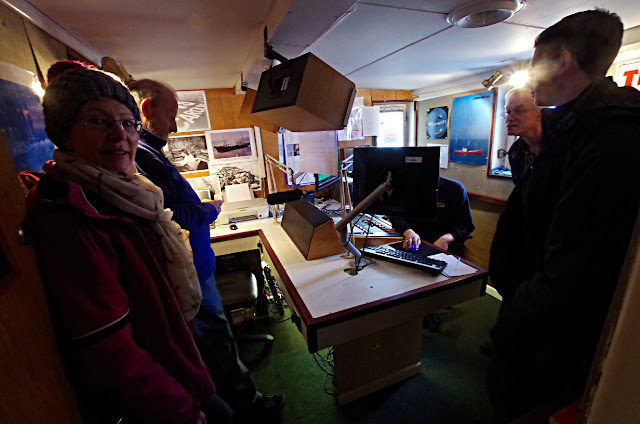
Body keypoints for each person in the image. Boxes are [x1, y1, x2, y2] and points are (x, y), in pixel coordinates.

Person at [21, 68, 233, 424]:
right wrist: (181, 411)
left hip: (171, 350)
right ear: (65, 133)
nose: (119, 134)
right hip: (156, 390)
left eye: (127, 123)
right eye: (96, 120)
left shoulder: (123, 191)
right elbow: (109, 353)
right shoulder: (74, 219)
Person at [488, 9, 640, 422]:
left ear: (563, 61)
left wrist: (514, 319)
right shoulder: (570, 129)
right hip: (534, 314)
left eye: (537, 61)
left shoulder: (610, 136)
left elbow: (576, 269)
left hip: (550, 338)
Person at [127, 78, 284, 421]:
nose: (176, 124)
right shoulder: (143, 155)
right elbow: (166, 214)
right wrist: (208, 210)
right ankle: (249, 406)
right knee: (217, 342)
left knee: (215, 341)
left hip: (194, 265)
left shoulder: (148, 152)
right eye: (171, 115)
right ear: (146, 108)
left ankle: (235, 400)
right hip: (190, 272)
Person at [389, 176, 474, 254]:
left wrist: (446, 239)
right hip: (412, 245)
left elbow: (466, 225)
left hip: (446, 248)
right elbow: (395, 215)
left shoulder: (455, 188)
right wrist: (408, 232)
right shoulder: (406, 187)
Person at [504, 87, 542, 184]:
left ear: (538, 112)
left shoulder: (564, 143)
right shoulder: (514, 152)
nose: (509, 118)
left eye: (519, 111)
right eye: (508, 112)